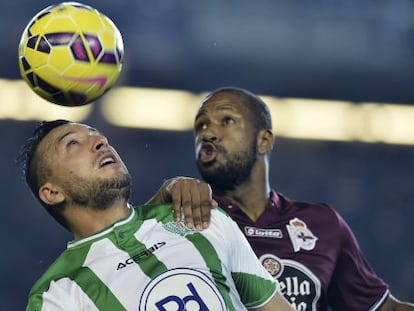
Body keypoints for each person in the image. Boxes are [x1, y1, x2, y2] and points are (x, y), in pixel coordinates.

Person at [149, 87, 414, 310]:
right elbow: (116, 264)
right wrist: (157, 203)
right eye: (201, 126)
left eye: (226, 120)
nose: (208, 133)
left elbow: (385, 308)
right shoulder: (185, 221)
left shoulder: (323, 225)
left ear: (264, 141)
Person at [19, 119, 294, 311]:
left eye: (95, 134)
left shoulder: (197, 217)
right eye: (72, 144)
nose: (100, 141)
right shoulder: (57, 295)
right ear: (52, 193)